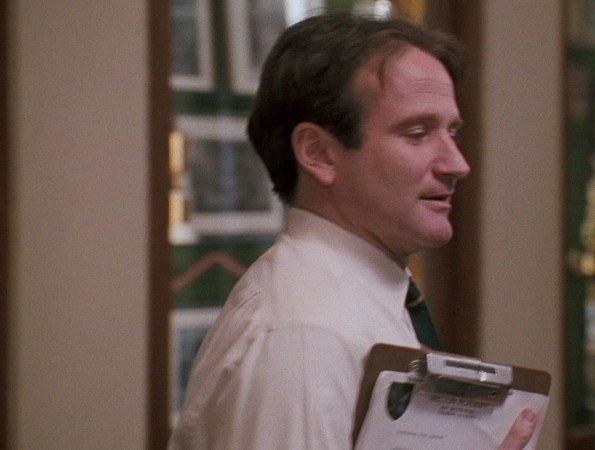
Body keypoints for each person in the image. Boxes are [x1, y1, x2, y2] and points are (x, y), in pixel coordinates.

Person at [169, 12, 539, 449]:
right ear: (319, 153)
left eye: (452, 133)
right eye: (417, 133)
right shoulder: (305, 336)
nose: (458, 164)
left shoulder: (361, 299)